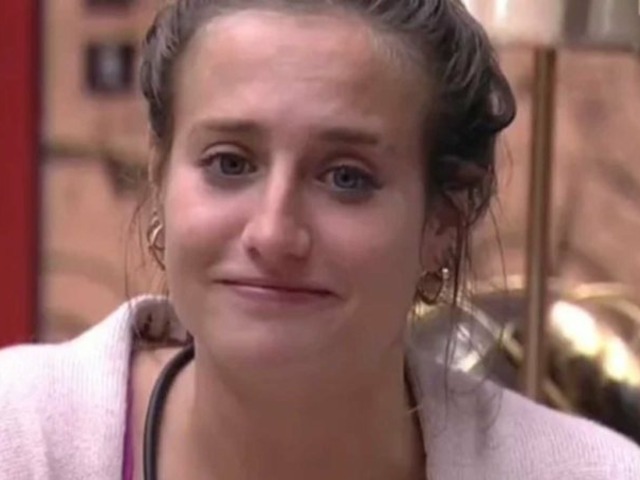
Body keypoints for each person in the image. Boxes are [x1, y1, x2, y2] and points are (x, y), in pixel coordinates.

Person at [1, 0, 639, 479]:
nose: (274, 233)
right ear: (160, 175)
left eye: (346, 178)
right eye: (230, 163)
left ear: (442, 222)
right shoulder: (22, 441)